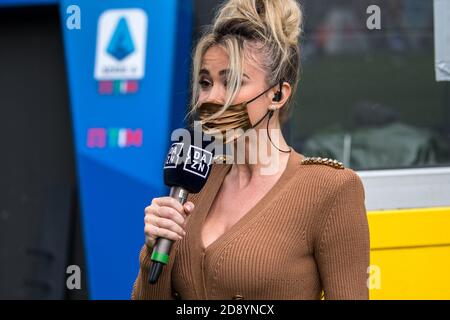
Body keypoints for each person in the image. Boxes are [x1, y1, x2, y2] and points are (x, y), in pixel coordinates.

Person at [132, 0, 370, 300]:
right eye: (205, 82)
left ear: (278, 94)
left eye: (232, 82)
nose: (213, 98)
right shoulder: (194, 181)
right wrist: (153, 250)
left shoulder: (331, 188)